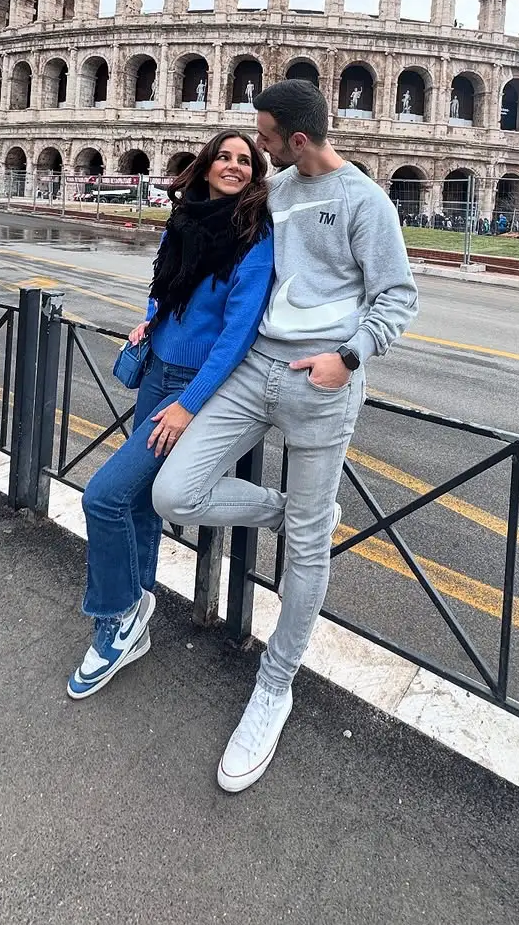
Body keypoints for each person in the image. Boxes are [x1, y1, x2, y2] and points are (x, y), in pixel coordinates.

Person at [153, 80, 418, 792]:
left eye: (266, 137)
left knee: (305, 552)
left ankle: (276, 685)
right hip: (255, 367)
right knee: (174, 489)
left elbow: (399, 296)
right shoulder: (278, 193)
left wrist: (348, 356)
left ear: (298, 139)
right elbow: (219, 240)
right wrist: (160, 303)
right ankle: (296, 513)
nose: (259, 146)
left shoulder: (365, 201)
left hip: (322, 381)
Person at [68, 131, 274, 700]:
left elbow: (236, 336)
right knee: (134, 502)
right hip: (157, 367)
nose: (233, 165)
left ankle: (114, 619)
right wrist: (150, 321)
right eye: (225, 157)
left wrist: (187, 406)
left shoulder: (256, 237)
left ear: (255, 173)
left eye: (245, 160)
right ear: (206, 166)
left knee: (103, 496)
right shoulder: (183, 221)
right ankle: (135, 607)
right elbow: (165, 288)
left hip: (188, 387)